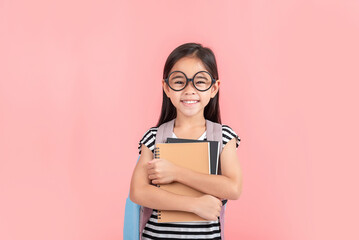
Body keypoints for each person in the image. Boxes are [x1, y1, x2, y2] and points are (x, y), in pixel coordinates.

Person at [129, 42, 242, 240]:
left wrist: (176, 172)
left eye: (200, 81)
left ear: (214, 88)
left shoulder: (223, 137)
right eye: (179, 81)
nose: (189, 90)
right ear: (166, 87)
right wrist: (194, 205)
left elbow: (233, 188)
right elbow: (138, 192)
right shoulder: (153, 137)